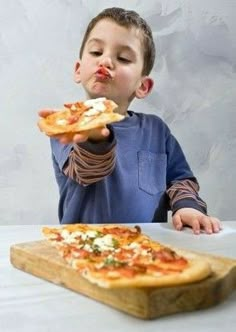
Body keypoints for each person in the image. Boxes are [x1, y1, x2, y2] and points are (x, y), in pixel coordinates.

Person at [39, 7, 221, 234]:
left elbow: (179, 179)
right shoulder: (67, 126)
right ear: (78, 70)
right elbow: (86, 172)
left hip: (149, 247)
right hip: (85, 247)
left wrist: (187, 206)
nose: (105, 60)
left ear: (143, 86)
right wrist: (94, 138)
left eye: (123, 57)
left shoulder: (156, 131)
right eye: (96, 52)